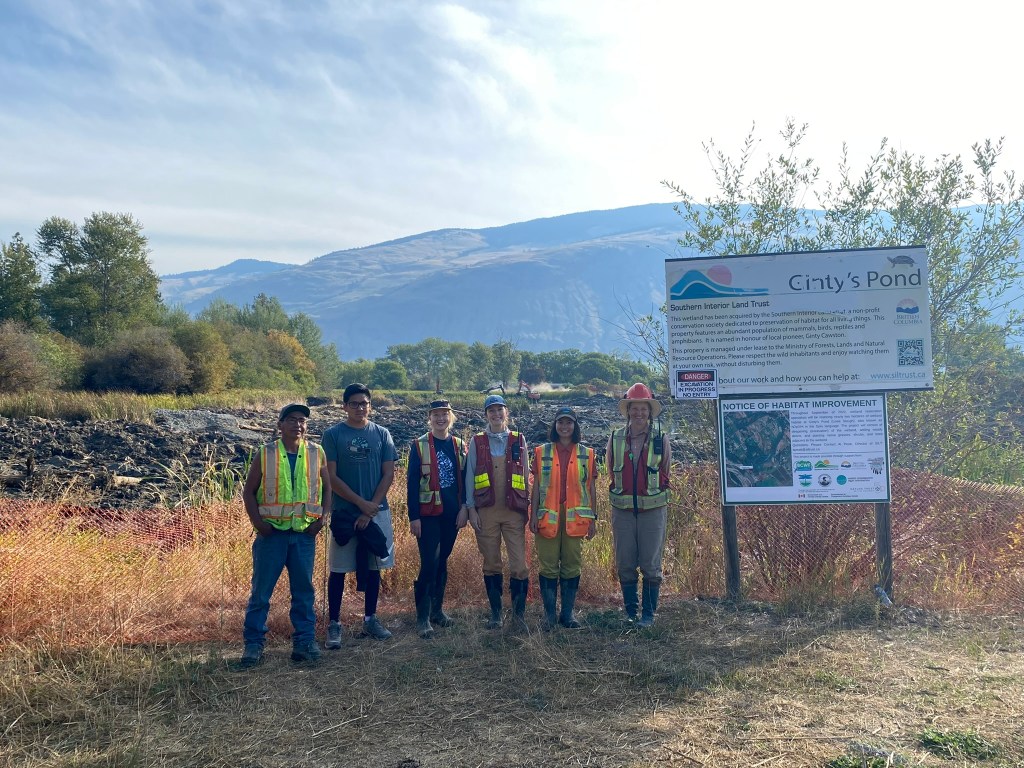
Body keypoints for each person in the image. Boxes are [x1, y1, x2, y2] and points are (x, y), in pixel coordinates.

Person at [239, 403, 331, 667]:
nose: (298, 425)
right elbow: (249, 492)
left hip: (303, 535)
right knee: (260, 594)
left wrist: (322, 519)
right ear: (280, 425)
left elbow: (327, 490)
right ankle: (253, 645)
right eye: (291, 420)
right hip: (272, 536)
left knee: (304, 592)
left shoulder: (316, 452)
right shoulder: (265, 453)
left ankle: (304, 642)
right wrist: (259, 523)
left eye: (302, 420)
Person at [322, 383, 398, 644]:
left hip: (377, 511)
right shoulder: (332, 435)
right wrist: (359, 504)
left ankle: (371, 620)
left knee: (374, 566)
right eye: (353, 403)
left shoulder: (382, 434)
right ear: (344, 407)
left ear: (370, 406)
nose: (359, 408)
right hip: (345, 513)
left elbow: (388, 473)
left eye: (363, 403)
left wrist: (371, 507)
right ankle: (334, 623)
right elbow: (331, 476)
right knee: (339, 569)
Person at [461, 394, 531, 628]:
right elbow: (469, 475)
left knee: (519, 565)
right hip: (486, 512)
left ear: (506, 413)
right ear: (486, 415)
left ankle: (518, 617)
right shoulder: (477, 441)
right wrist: (471, 509)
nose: (496, 414)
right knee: (491, 564)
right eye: (491, 410)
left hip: (513, 512)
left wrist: (525, 509)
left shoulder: (519, 439)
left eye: (500, 410)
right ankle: (496, 615)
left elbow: (526, 475)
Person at [606, 383, 671, 627]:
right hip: (622, 510)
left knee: (651, 564)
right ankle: (631, 612)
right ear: (628, 411)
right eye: (635, 408)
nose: (639, 413)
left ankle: (648, 614)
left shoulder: (661, 439)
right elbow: (610, 469)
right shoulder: (615, 438)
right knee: (625, 563)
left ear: (650, 412)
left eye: (643, 409)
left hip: (653, 511)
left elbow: (665, 470)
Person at [529, 406, 597, 630]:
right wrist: (532, 516)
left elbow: (591, 488)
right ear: (555, 426)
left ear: (575, 426)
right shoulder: (541, 452)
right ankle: (550, 615)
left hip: (575, 520)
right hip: (547, 518)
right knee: (547, 567)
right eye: (561, 422)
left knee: (572, 566)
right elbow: (537, 487)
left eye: (569, 423)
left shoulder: (587, 454)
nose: (565, 427)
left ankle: (567, 614)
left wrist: (593, 520)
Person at [406, 399, 467, 638]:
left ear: (451, 418)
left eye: (445, 414)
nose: (441, 418)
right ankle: (422, 618)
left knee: (442, 562)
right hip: (428, 514)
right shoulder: (419, 445)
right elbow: (411, 483)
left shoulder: (459, 445)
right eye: (436, 415)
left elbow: (465, 480)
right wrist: (414, 517)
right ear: (429, 418)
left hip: (452, 514)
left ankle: (437, 612)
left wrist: (465, 509)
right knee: (429, 563)